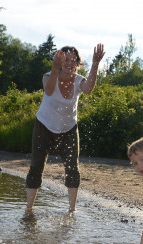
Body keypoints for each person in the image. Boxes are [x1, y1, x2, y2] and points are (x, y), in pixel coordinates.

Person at [25, 43, 105, 212]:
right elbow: (48, 91)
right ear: (59, 61)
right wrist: (54, 69)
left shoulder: (79, 81)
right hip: (44, 127)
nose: (70, 63)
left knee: (73, 168)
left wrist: (96, 63)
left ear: (78, 64)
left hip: (69, 129)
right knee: (36, 166)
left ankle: (72, 210)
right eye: (66, 59)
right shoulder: (48, 76)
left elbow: (89, 89)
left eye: (74, 60)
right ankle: (29, 209)